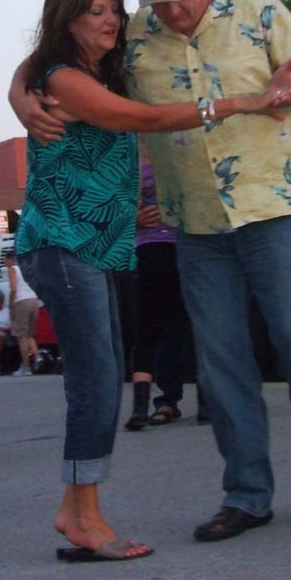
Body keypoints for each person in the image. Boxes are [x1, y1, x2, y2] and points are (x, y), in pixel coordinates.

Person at [11, 0, 291, 541]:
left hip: (275, 206)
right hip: (195, 222)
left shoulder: (258, 10)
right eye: (156, 1)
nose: (168, 11)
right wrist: (20, 97)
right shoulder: (136, 31)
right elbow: (52, 59)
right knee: (221, 362)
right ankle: (246, 496)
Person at [124, 147, 208, 430]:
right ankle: (159, 402)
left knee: (190, 324)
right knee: (154, 327)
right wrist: (132, 217)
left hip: (186, 243)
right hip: (153, 247)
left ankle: (195, 399)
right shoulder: (126, 154)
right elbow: (111, 204)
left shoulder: (179, 146)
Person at [4, 253, 39, 377]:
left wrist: (11, 304)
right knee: (30, 334)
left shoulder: (12, 269)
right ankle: (37, 356)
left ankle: (26, 366)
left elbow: (13, 288)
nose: (5, 264)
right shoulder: (27, 268)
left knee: (21, 336)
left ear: (10, 260)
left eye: (5, 261)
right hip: (34, 300)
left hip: (21, 301)